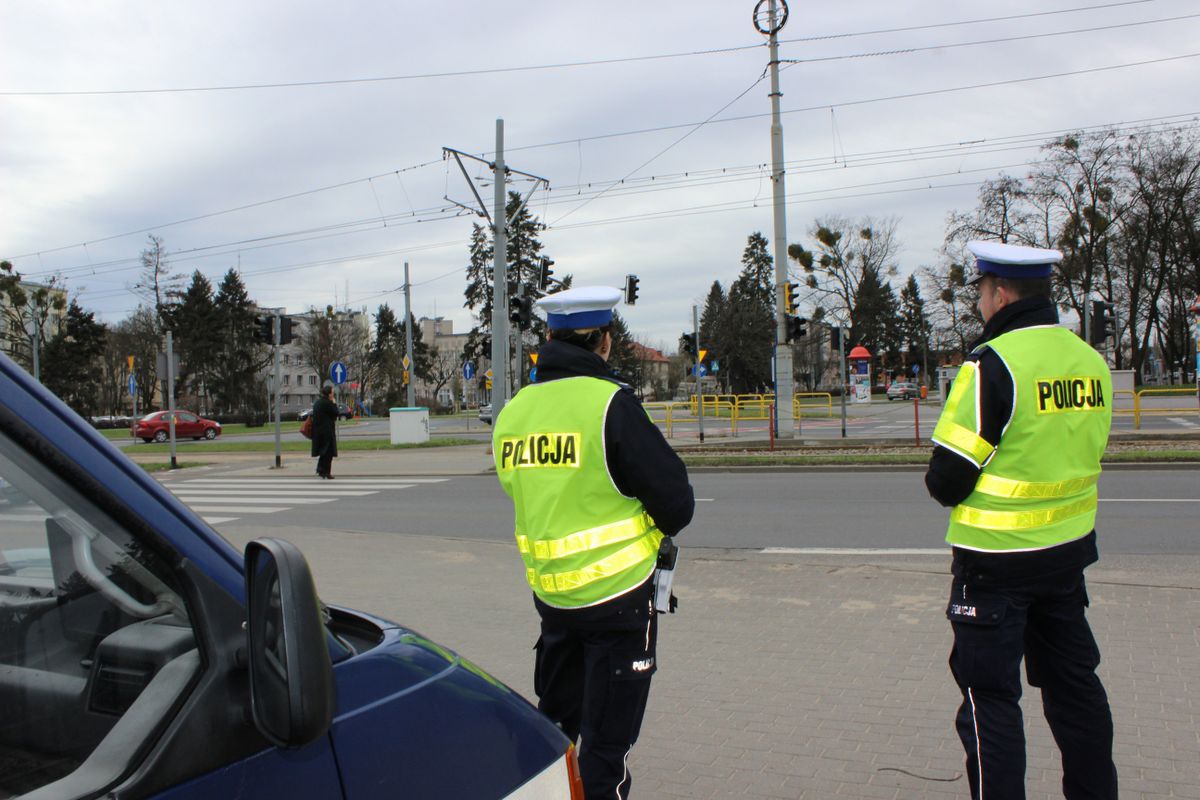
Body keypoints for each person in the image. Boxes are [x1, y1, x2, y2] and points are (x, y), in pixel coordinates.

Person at [925, 241, 1118, 799]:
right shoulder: (1088, 361)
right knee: (1076, 689)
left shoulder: (992, 366)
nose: (981, 305)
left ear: (1000, 294)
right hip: (1067, 559)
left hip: (994, 570)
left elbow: (946, 480)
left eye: (982, 294)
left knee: (990, 703)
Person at [492, 285, 695, 800]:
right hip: (618, 602)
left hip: (555, 603)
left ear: (551, 338)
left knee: (554, 733)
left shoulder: (513, 412)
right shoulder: (611, 404)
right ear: (604, 342)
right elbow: (677, 504)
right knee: (605, 753)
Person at [310, 384, 339, 479]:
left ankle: (320, 470)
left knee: (323, 452)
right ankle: (326, 472)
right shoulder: (327, 403)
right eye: (332, 392)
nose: (333, 394)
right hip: (327, 432)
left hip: (318, 432)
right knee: (328, 453)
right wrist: (334, 403)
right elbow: (336, 413)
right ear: (329, 394)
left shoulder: (318, 402)